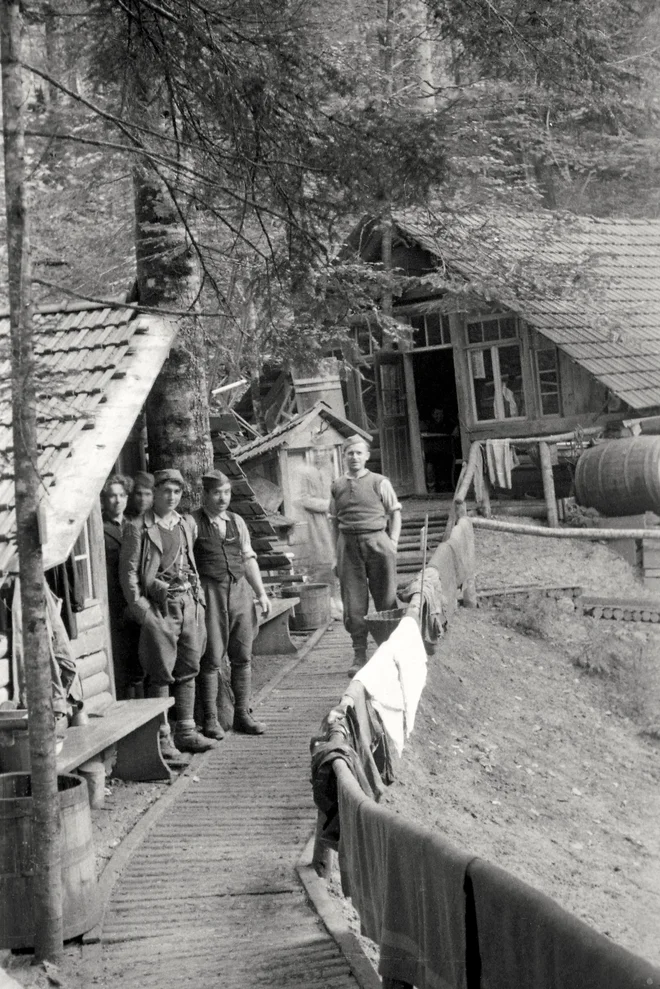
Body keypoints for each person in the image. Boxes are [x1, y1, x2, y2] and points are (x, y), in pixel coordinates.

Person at [119, 468, 215, 757]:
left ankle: (186, 731)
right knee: (160, 671)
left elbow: (189, 559)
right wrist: (143, 612)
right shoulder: (139, 527)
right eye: (165, 492)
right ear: (155, 494)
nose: (171, 497)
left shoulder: (185, 523)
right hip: (159, 608)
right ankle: (161, 738)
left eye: (176, 492)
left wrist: (196, 600)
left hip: (187, 603)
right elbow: (128, 575)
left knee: (189, 667)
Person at [192, 470, 272, 736]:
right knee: (212, 657)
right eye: (216, 493)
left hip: (239, 591)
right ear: (205, 495)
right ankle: (211, 720)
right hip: (210, 592)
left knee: (242, 655)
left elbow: (248, 559)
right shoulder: (192, 523)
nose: (222, 498)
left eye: (226, 492)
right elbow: (187, 565)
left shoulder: (236, 522)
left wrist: (260, 593)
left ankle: (242, 715)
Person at [330, 435, 401, 676]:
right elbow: (333, 522)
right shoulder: (337, 485)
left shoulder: (380, 482)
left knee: (386, 598)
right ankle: (359, 654)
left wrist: (393, 542)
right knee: (353, 602)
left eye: (359, 453)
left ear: (367, 456)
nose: (354, 457)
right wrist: (334, 555)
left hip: (377, 543)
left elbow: (395, 513)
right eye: (350, 453)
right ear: (344, 456)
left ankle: (387, 652)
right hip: (347, 546)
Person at [101, 474, 144, 699]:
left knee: (139, 659)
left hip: (134, 599)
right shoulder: (99, 529)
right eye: (112, 496)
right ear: (104, 500)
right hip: (113, 601)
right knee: (121, 661)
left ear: (127, 498)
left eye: (121, 495)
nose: (117, 501)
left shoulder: (133, 526)